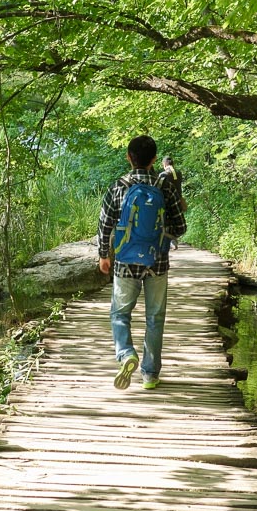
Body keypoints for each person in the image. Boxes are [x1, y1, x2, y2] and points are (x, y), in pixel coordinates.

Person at [97, 135, 187, 391]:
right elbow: (180, 227)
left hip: (125, 262)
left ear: (128, 157)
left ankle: (126, 355)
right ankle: (150, 375)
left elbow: (105, 224)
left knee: (119, 314)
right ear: (155, 159)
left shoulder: (119, 186)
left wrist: (104, 255)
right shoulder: (164, 187)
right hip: (157, 262)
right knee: (154, 318)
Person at [157, 156, 187, 249]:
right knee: (177, 220)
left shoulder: (163, 174)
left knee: (166, 220)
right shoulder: (178, 173)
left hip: (166, 200)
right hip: (179, 200)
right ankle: (174, 239)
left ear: (164, 164)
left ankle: (168, 239)